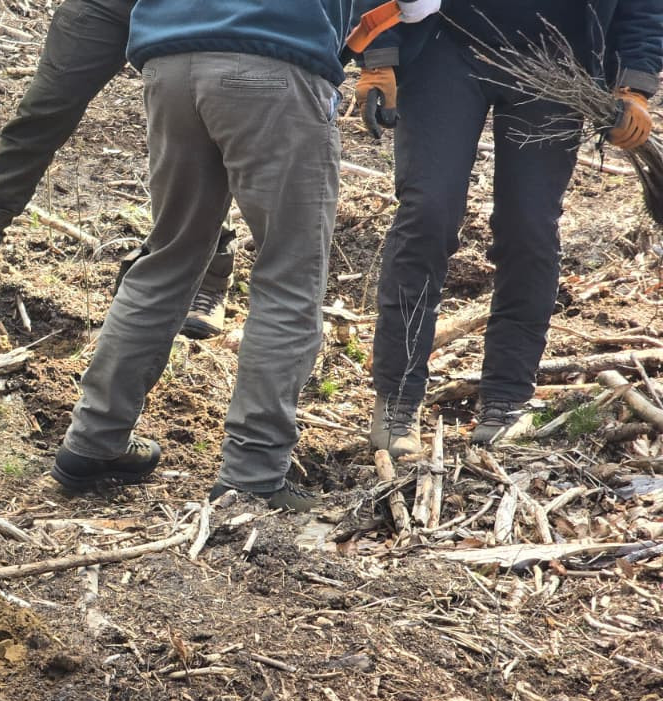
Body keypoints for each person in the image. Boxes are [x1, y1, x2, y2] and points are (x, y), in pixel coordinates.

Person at [48, 0, 366, 511]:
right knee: (289, 274)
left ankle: (93, 439)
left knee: (170, 255)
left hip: (171, 61)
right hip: (275, 63)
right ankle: (254, 472)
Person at [359, 1, 661, 459]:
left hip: (555, 61)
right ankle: (397, 399)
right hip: (447, 47)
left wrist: (634, 82)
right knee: (428, 214)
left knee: (530, 227)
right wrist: (378, 55)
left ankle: (505, 399)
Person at [0, 0, 238, 340]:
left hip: (196, 10)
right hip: (106, 6)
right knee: (42, 112)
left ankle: (209, 277)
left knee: (195, 133)